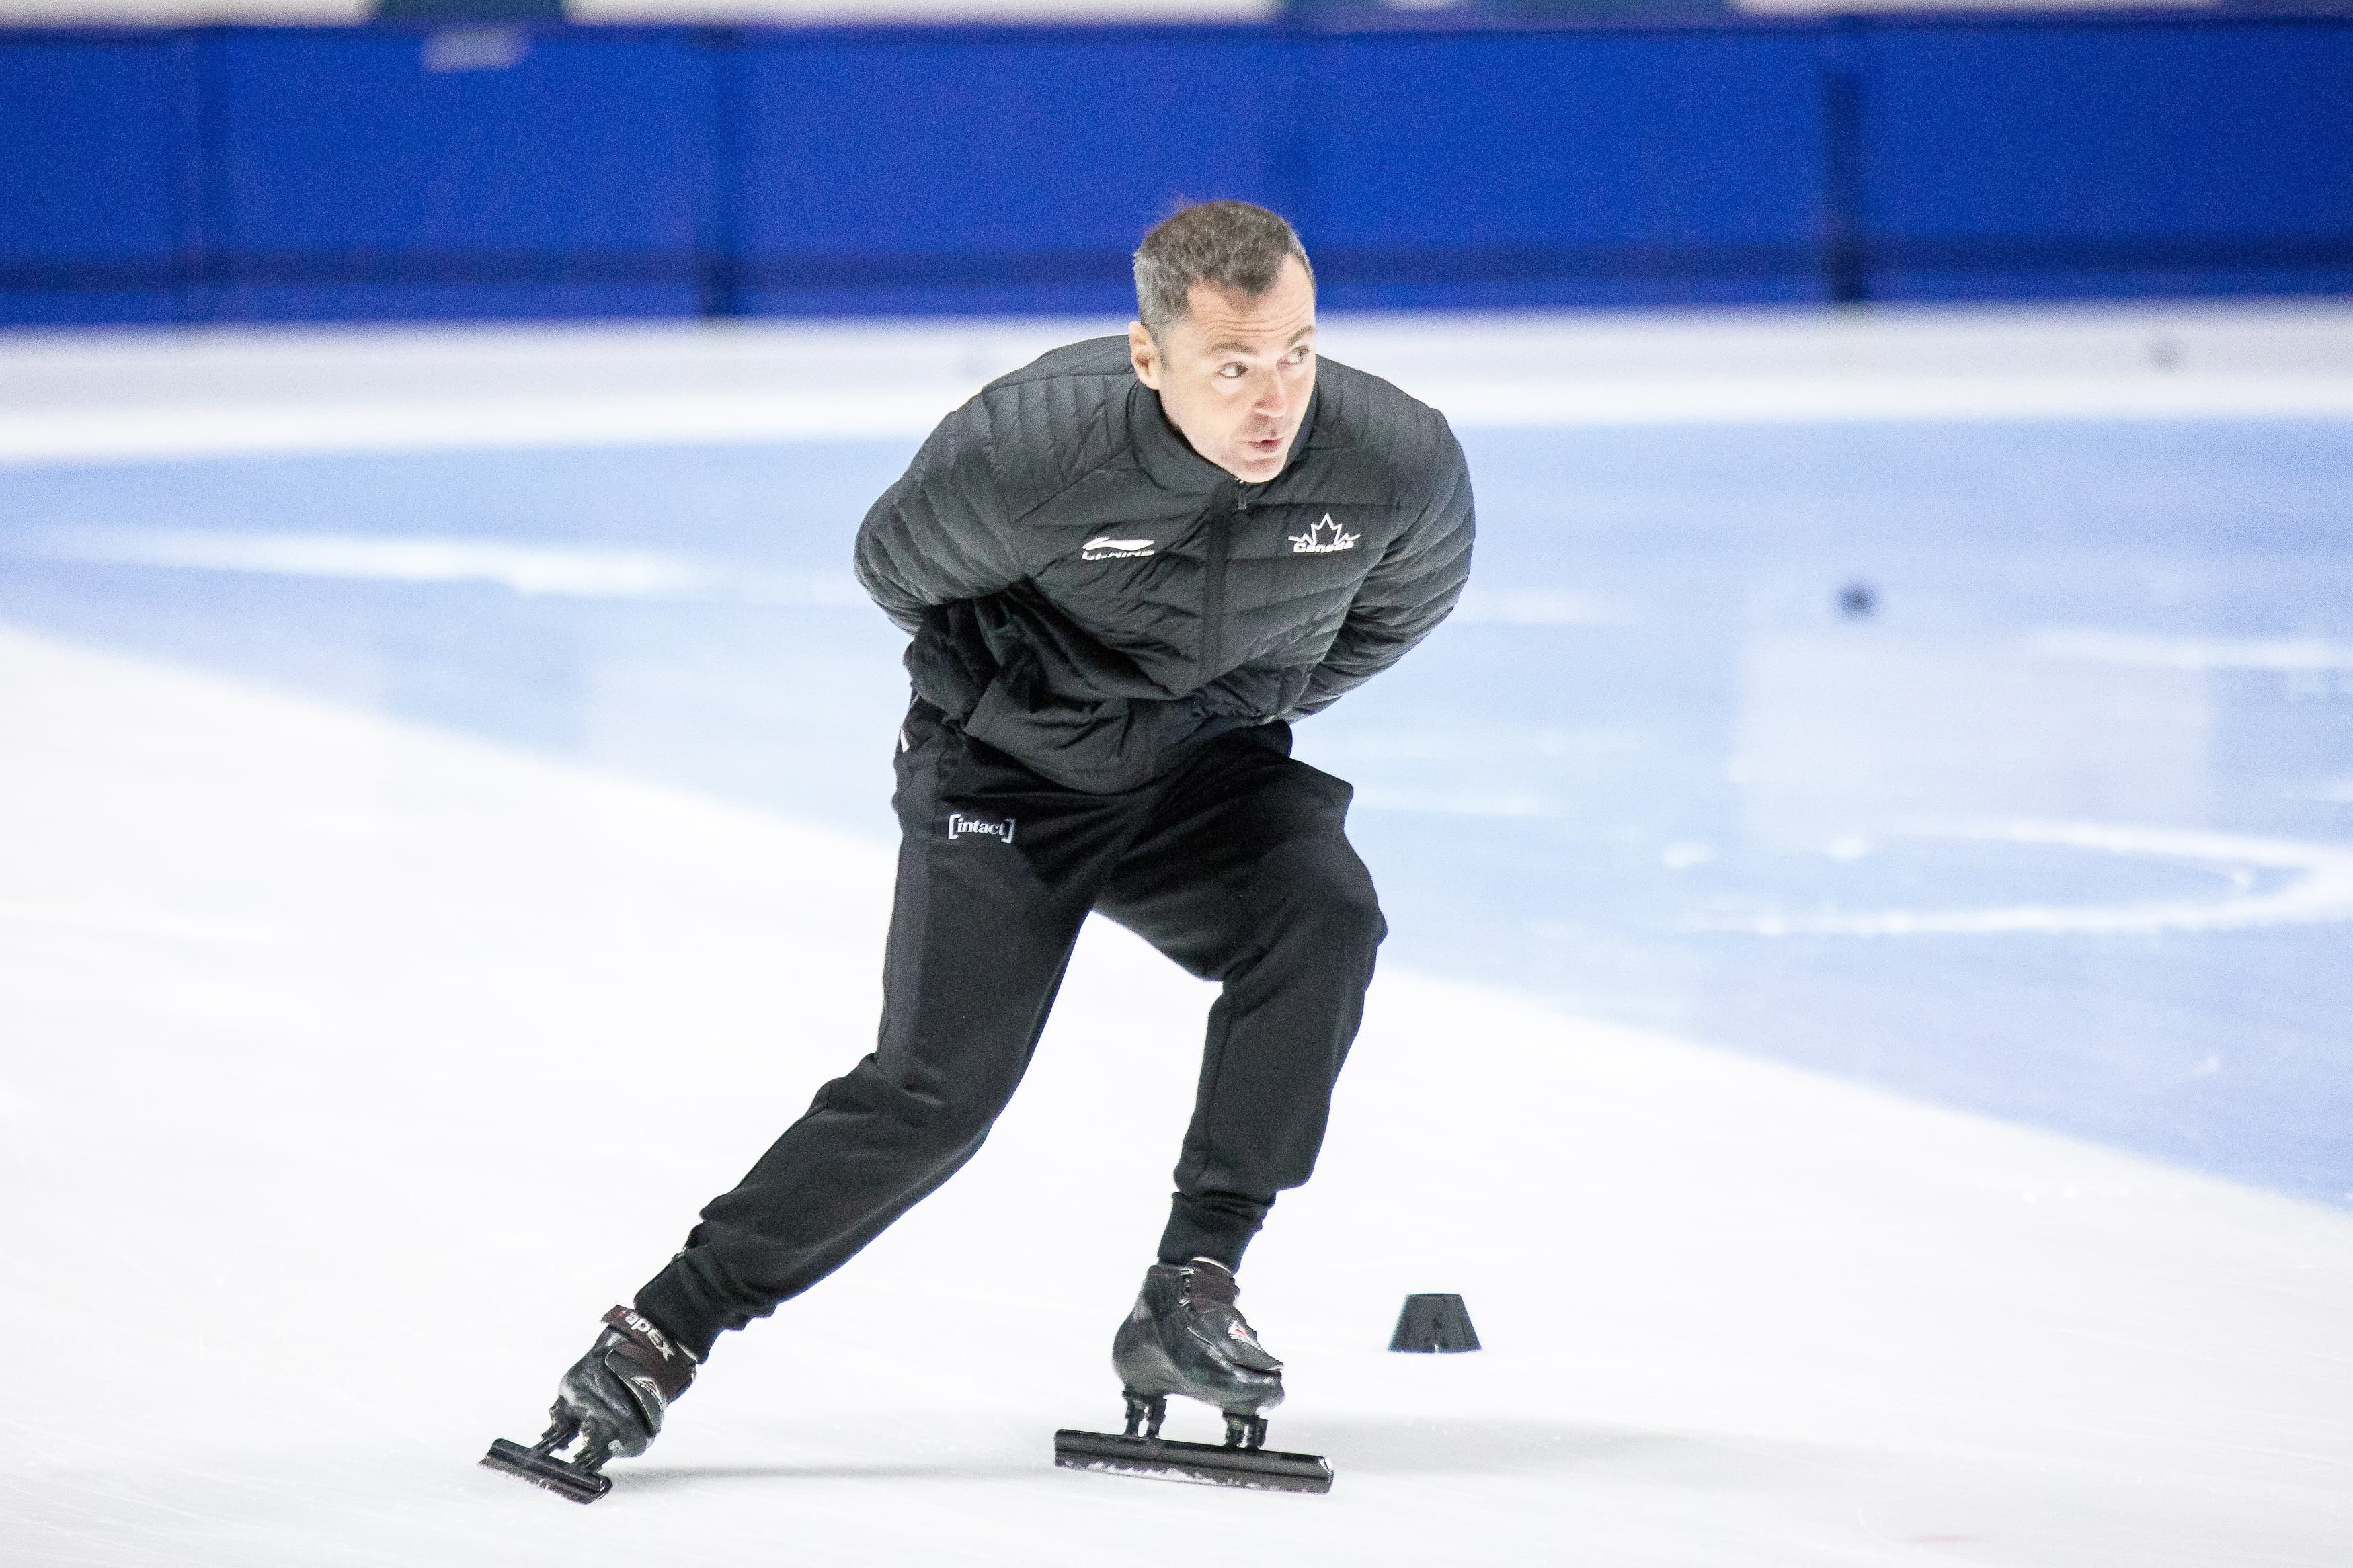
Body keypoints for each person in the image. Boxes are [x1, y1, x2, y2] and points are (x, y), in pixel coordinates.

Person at [485, 200, 1474, 1499]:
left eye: (1296, 352)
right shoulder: (1028, 451)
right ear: (1149, 356)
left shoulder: (1396, 461)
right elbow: (896, 567)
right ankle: (665, 1327)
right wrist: (1038, 701)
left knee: (1324, 915)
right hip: (1009, 771)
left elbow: (1396, 611)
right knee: (939, 1093)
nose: (1274, 398)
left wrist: (1220, 709)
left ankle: (1192, 1284)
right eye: (1232, 365)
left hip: (1201, 769)